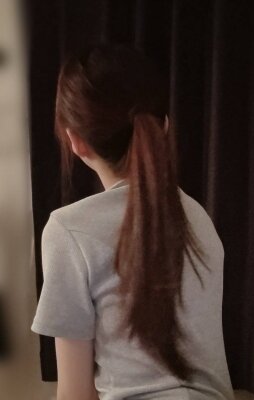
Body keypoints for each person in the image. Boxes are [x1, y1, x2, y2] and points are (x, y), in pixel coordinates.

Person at [31, 44, 234, 400]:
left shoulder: (68, 230)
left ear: (75, 140)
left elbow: (76, 394)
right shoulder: (197, 217)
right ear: (164, 126)